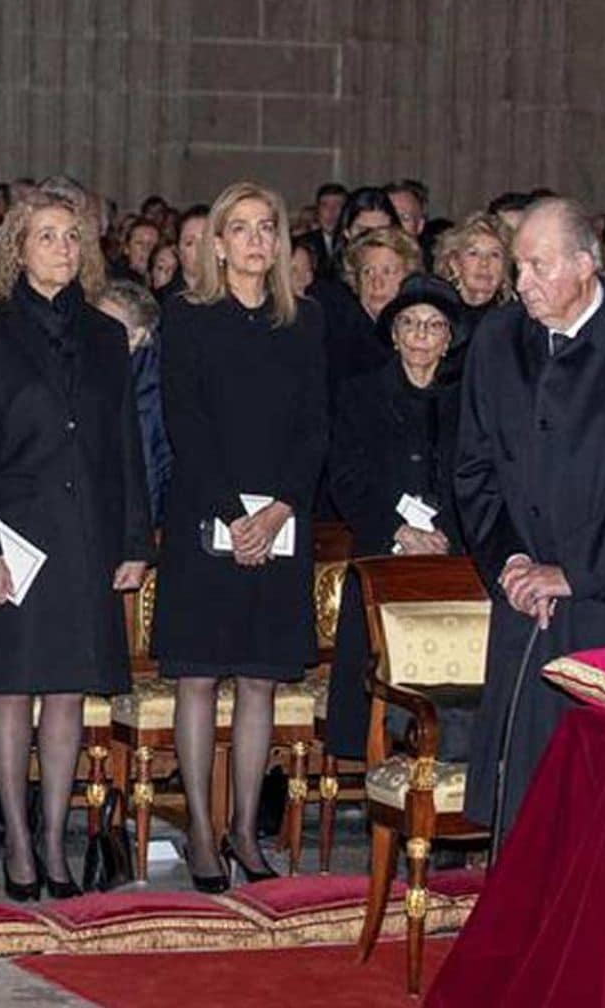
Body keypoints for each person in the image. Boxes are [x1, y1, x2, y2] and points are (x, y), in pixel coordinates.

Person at [455, 197, 605, 834]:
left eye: (538, 266)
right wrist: (510, 561)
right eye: (518, 265)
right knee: (528, 808)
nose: (522, 282)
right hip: (523, 606)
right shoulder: (497, 341)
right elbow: (475, 471)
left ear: (587, 265)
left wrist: (569, 572)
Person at [0, 187, 149, 900]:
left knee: (67, 693)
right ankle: (15, 839)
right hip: (15, 537)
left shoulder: (104, 335)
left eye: (73, 236)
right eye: (47, 236)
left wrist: (133, 539)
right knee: (12, 690)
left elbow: (127, 445)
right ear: (17, 248)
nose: (63, 248)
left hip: (85, 537)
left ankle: (53, 840)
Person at [155, 181, 327, 892]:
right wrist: (235, 515)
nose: (257, 241)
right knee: (199, 679)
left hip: (281, 520)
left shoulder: (306, 321)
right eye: (242, 229)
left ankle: (245, 829)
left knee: (258, 681)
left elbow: (316, 424)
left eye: (267, 228)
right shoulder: (189, 319)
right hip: (208, 514)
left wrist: (280, 509)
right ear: (218, 244)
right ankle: (200, 828)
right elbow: (185, 425)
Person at [324, 274, 465, 763]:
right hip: (383, 551)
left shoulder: (468, 400)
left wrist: (446, 531)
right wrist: (399, 529)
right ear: (393, 333)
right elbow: (345, 476)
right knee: (377, 666)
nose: (421, 334)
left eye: (433, 324)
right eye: (410, 323)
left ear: (449, 339)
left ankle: (442, 767)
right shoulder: (359, 394)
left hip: (450, 557)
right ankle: (377, 766)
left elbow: (479, 475)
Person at [95, 278, 171, 529]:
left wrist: (139, 540)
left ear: (137, 336)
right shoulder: (101, 374)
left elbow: (150, 470)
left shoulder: (151, 390)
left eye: (105, 325)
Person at [324, 226, 420, 395]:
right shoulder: (336, 341)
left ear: (409, 277)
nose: (377, 283)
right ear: (355, 281)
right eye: (368, 272)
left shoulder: (423, 337)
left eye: (388, 272)